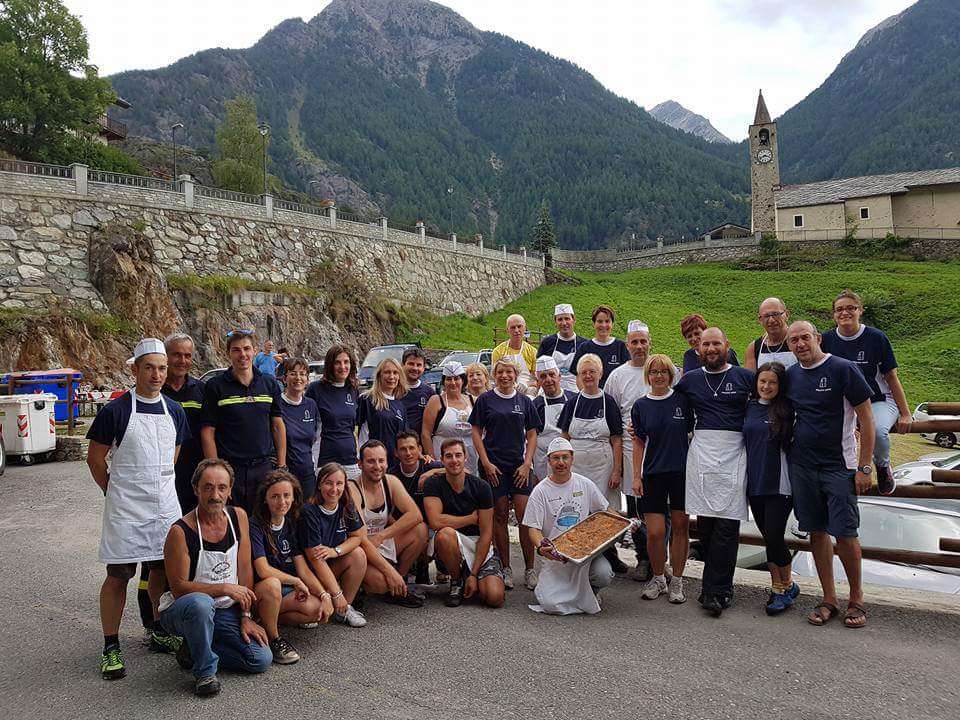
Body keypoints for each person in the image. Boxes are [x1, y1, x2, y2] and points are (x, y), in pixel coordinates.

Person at [86, 338, 189, 680]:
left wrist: (158, 482)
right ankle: (111, 645)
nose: (157, 374)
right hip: (126, 508)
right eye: (150, 367)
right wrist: (112, 491)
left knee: (161, 568)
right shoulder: (115, 411)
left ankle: (157, 628)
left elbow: (173, 454)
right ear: (135, 369)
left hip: (163, 506)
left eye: (162, 368)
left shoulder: (174, 410)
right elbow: (96, 458)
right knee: (119, 575)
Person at [785, 321, 875, 629]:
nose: (799, 344)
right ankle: (828, 598)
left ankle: (857, 598)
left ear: (817, 338)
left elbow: (867, 418)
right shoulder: (792, 375)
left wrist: (864, 466)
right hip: (803, 465)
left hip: (839, 465)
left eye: (804, 337)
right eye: (793, 340)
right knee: (817, 532)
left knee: (846, 533)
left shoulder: (843, 368)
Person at [159, 459, 272, 696]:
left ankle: (196, 646)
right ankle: (205, 673)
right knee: (201, 604)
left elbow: (245, 570)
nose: (215, 495)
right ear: (195, 490)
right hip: (184, 609)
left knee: (260, 659)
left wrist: (246, 615)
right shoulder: (180, 532)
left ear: (230, 491)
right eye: (208, 487)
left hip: (225, 610)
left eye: (222, 487)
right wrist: (224, 588)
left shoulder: (238, 517)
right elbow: (179, 589)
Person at [675, 327, 754, 616]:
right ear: (699, 350)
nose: (710, 349)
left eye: (716, 343)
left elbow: (767, 405)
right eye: (705, 344)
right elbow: (673, 410)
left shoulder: (746, 378)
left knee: (727, 525)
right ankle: (719, 584)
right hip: (702, 452)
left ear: (727, 345)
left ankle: (715, 592)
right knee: (706, 526)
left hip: (734, 452)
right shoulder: (690, 381)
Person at [604, 320, 677, 579]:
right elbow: (611, 414)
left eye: (643, 341)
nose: (639, 346)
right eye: (634, 342)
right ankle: (644, 558)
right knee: (636, 508)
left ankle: (661, 560)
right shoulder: (617, 376)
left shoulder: (662, 370)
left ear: (650, 343)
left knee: (662, 508)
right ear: (627, 345)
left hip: (662, 450)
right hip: (629, 447)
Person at [820, 289, 910, 495]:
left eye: (851, 308)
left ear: (860, 310)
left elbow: (891, 378)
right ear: (833, 314)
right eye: (839, 309)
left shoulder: (876, 338)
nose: (845, 313)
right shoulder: (826, 340)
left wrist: (905, 413)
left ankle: (882, 466)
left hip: (877, 398)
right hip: (843, 403)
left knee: (877, 430)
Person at [523, 438, 615, 615]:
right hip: (557, 557)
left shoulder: (585, 484)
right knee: (550, 605)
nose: (561, 462)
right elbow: (533, 528)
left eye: (565, 457)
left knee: (603, 573)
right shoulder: (540, 491)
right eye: (556, 458)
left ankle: (591, 591)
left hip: (584, 553)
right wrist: (542, 547)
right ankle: (563, 591)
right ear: (549, 461)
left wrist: (628, 524)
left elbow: (605, 511)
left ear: (572, 459)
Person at [249, 470, 332, 665]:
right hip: (259, 590)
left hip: (281, 590)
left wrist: (324, 595)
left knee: (316, 610)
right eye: (275, 496)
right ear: (265, 499)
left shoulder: (291, 523)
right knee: (272, 584)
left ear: (294, 497)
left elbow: (302, 568)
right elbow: (262, 570)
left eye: (286, 495)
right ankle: (274, 638)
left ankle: (264, 619)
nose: (282, 501)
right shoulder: (256, 524)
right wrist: (296, 581)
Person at [470, 358, 540, 590]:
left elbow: (531, 434)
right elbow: (476, 432)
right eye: (500, 372)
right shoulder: (485, 400)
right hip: (494, 467)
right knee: (499, 515)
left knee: (525, 517)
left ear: (515, 374)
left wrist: (527, 463)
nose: (504, 376)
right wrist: (486, 463)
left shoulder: (524, 401)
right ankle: (506, 567)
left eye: (509, 372)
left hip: (519, 466)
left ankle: (530, 569)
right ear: (494, 375)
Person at [200, 329, 287, 513]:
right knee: (231, 522)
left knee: (263, 523)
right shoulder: (215, 387)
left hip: (264, 468)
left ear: (254, 351)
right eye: (236, 350)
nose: (243, 355)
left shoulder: (269, 384)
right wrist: (216, 470)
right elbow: (208, 431)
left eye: (247, 349)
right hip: (231, 469)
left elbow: (277, 426)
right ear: (228, 353)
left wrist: (281, 465)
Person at [631, 354, 693, 604]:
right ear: (648, 375)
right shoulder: (641, 406)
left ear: (670, 374)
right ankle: (658, 578)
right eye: (654, 372)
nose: (659, 376)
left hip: (680, 473)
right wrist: (636, 476)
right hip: (653, 474)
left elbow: (692, 432)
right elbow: (638, 441)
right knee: (655, 533)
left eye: (663, 372)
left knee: (680, 527)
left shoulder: (682, 401)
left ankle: (677, 580)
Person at [558, 352, 625, 573]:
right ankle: (578, 556)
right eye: (584, 372)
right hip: (577, 468)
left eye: (592, 372)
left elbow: (616, 439)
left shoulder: (609, 402)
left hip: (603, 467)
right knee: (579, 510)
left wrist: (617, 470)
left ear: (600, 374)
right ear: (578, 375)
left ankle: (608, 555)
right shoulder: (572, 403)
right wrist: (561, 467)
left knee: (605, 512)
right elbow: (564, 437)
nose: (588, 376)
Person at [743, 362, 799, 615]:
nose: (766, 386)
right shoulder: (749, 407)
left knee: (775, 535)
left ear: (780, 385)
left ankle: (783, 588)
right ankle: (782, 585)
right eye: (762, 381)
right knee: (768, 536)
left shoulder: (788, 410)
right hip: (755, 481)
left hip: (779, 483)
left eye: (772, 382)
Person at [423, 439, 505, 609]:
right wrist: (470, 518)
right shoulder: (433, 483)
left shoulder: (481, 487)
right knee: (445, 534)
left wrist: (474, 574)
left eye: (458, 455)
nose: (454, 460)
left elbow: (486, 533)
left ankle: (471, 575)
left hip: (478, 544)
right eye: (449, 456)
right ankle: (457, 580)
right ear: (442, 459)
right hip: (452, 544)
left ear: (465, 457)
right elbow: (435, 522)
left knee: (494, 597)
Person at [348, 440, 428, 607]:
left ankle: (399, 585)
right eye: (371, 461)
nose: (377, 466)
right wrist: (389, 571)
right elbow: (361, 539)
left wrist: (382, 535)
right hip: (360, 550)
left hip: (379, 541)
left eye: (381, 460)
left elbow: (415, 515)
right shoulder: (352, 488)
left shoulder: (390, 481)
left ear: (387, 461)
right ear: (360, 464)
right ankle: (356, 585)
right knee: (380, 584)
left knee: (420, 530)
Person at [299, 462, 369, 628]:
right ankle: (331, 598)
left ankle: (345, 609)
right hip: (310, 572)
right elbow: (315, 558)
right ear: (319, 485)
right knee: (312, 613)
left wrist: (335, 551)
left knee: (358, 554)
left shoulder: (346, 504)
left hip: (331, 563)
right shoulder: (309, 511)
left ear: (345, 485)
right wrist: (336, 594)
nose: (334, 489)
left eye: (339, 484)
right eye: (328, 483)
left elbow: (357, 536)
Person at [162, 332, 206, 514]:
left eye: (187, 355)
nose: (182, 360)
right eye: (176, 354)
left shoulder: (202, 391)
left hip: (195, 474)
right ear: (165, 357)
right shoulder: (152, 390)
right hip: (162, 474)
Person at [307, 344, 361, 481]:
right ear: (330, 365)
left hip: (350, 459)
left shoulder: (353, 389)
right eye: (337, 362)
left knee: (352, 501)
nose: (342, 367)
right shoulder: (316, 389)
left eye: (346, 362)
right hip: (325, 459)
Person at [422, 362, 478, 476]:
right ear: (443, 382)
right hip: (443, 455)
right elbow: (425, 433)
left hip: (470, 456)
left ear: (463, 380)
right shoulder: (436, 401)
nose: (453, 383)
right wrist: (433, 462)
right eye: (449, 379)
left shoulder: (474, 401)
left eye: (456, 379)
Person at [277, 358, 319, 500]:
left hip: (307, 474)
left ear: (307, 379)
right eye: (293, 373)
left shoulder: (311, 405)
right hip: (285, 474)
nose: (298, 378)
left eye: (302, 374)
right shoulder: (276, 404)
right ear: (284, 378)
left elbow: (314, 439)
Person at [357, 357, 409, 468]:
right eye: (387, 372)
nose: (391, 377)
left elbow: (404, 438)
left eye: (395, 373)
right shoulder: (367, 399)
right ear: (379, 375)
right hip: (373, 464)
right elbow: (360, 433)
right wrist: (361, 458)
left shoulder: (400, 406)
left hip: (394, 465)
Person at [531, 356, 576, 481]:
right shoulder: (535, 405)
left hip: (569, 456)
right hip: (543, 459)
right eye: (543, 376)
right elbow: (530, 437)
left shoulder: (573, 399)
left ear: (559, 376)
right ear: (538, 381)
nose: (548, 379)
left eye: (552, 374)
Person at [571, 304, 629, 388]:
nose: (603, 325)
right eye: (600, 321)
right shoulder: (585, 347)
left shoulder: (621, 347)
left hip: (615, 397)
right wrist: (587, 395)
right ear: (594, 324)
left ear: (612, 324)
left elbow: (626, 375)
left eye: (607, 321)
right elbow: (578, 377)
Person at [537, 303, 588, 392]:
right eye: (560, 319)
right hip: (550, 389)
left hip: (575, 389)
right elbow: (538, 370)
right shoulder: (547, 342)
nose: (564, 323)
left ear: (574, 320)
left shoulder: (584, 344)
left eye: (567, 319)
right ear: (555, 322)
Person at [744, 297, 796, 370]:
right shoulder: (754, 348)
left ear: (787, 315)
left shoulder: (799, 342)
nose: (771, 320)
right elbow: (749, 379)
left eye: (775, 314)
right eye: (766, 316)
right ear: (760, 319)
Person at [491, 313, 539, 394]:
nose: (516, 330)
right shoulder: (498, 351)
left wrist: (527, 384)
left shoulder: (533, 352)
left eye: (519, 326)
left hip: (527, 393)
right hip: (504, 390)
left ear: (525, 328)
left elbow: (538, 380)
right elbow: (495, 378)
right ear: (507, 330)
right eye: (513, 327)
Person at [400, 347, 436, 435]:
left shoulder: (429, 393)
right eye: (411, 364)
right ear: (402, 365)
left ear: (424, 368)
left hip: (420, 445)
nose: (415, 368)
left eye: (419, 365)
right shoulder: (393, 389)